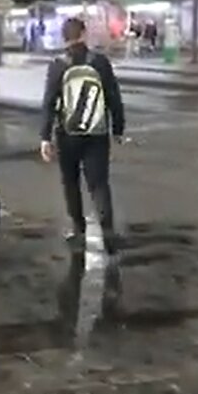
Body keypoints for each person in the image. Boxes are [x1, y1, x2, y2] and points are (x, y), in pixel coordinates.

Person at [39, 17, 126, 252]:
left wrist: (45, 137)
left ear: (64, 38)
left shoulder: (58, 64)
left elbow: (49, 102)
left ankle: (78, 230)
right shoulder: (99, 62)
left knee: (70, 182)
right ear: (84, 34)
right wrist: (117, 129)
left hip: (67, 134)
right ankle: (108, 232)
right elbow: (114, 98)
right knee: (99, 183)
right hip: (96, 134)